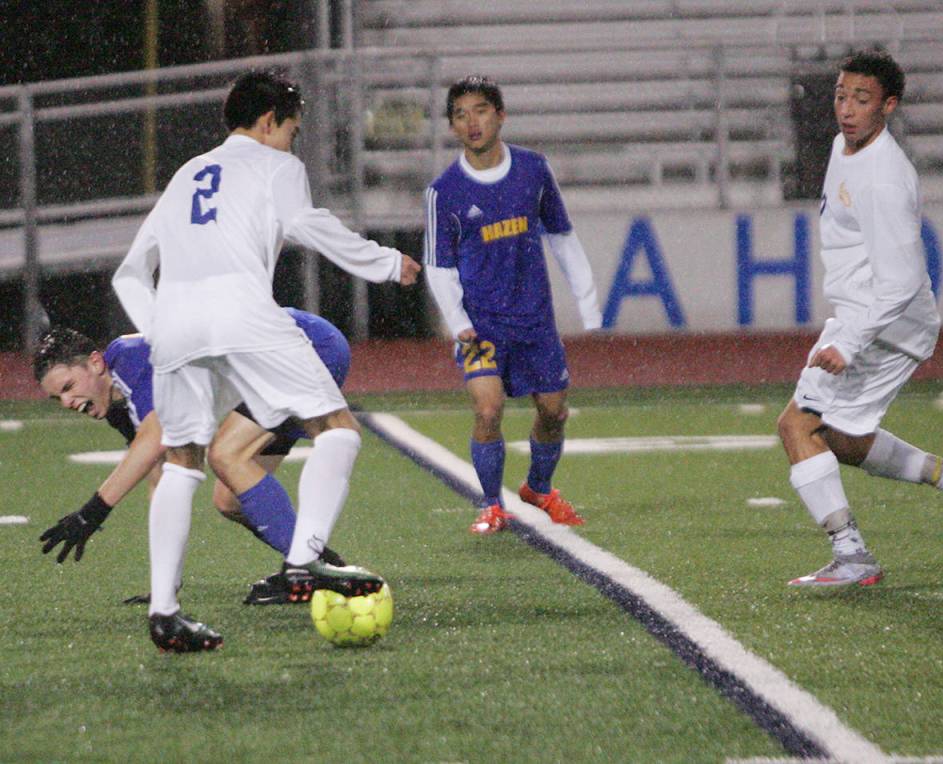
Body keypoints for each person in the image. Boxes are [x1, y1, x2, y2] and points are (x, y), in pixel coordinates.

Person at [110, 70, 421, 652]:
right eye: (291, 131)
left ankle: (165, 613)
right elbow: (305, 224)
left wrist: (159, 330)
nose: (292, 143)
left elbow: (128, 271)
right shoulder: (277, 166)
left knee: (180, 462)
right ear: (268, 121)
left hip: (173, 322)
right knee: (337, 428)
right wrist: (382, 262)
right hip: (242, 309)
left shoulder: (185, 174)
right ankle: (305, 561)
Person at [777, 49, 943, 588]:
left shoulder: (885, 177)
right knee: (837, 436)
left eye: (862, 99)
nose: (847, 109)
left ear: (889, 106)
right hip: (871, 317)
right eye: (840, 95)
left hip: (884, 324)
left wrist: (849, 343)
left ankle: (852, 555)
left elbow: (899, 282)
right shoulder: (842, 146)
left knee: (796, 426)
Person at [33, 309, 350, 606]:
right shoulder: (120, 402)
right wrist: (164, 587)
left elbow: (154, 440)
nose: (66, 401)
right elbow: (164, 482)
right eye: (56, 397)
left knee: (226, 455)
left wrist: (92, 512)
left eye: (68, 386)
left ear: (95, 363)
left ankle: (310, 566)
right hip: (281, 361)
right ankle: (322, 564)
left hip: (307, 347)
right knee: (230, 500)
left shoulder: (131, 359)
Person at [423, 75, 601, 535]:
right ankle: (489, 505)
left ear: (500, 114)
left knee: (554, 411)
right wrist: (458, 322)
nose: (471, 122)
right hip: (481, 325)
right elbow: (439, 267)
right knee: (487, 409)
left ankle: (538, 488)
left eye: (480, 110)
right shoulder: (444, 192)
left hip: (535, 323)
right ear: (452, 125)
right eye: (460, 115)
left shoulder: (533, 170)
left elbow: (561, 236)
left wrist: (589, 304)